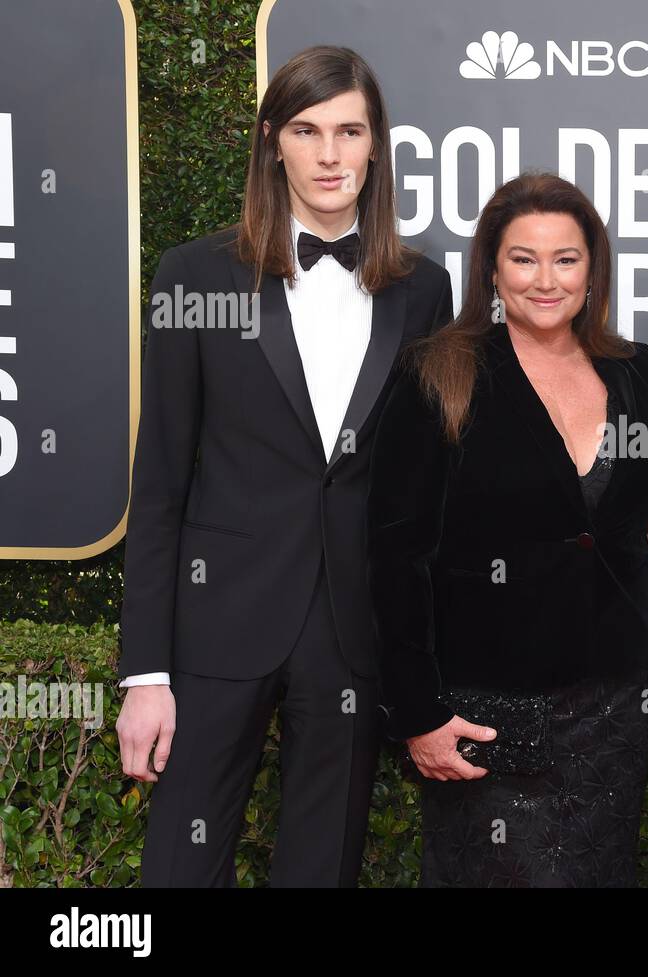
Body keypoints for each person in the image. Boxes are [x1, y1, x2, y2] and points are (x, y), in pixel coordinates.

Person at [115, 45, 453, 886]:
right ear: (273, 142)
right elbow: (159, 485)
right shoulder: (193, 274)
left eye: (350, 131)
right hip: (218, 619)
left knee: (321, 866)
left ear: (376, 146)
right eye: (308, 130)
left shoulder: (425, 289)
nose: (331, 154)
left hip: (351, 628)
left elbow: (427, 492)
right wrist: (145, 672)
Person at [367, 172, 648, 887]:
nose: (545, 279)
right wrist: (418, 712)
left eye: (566, 258)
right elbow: (393, 554)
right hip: (487, 714)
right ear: (493, 269)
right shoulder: (440, 369)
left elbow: (645, 513)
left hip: (612, 709)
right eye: (523, 258)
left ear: (592, 269)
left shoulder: (640, 373)